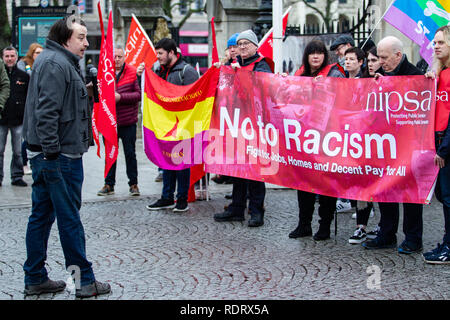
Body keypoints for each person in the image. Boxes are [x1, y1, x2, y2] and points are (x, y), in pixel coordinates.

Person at [22, 17, 110, 298]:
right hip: (58, 157)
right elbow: (46, 113)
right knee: (68, 218)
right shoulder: (55, 63)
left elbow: (56, 105)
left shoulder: (56, 61)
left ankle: (35, 277)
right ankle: (84, 281)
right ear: (65, 39)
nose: (86, 43)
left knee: (42, 215)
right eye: (81, 37)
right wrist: (50, 154)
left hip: (54, 155)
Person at [362, 36, 424, 254]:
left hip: (409, 145)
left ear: (398, 55)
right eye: (378, 57)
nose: (380, 61)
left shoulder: (417, 76)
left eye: (384, 57)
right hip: (385, 144)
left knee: (410, 193)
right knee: (385, 190)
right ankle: (387, 233)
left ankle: (413, 238)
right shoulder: (381, 76)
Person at [213, 29, 272, 228]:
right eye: (240, 44)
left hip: (254, 125)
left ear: (255, 46)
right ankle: (237, 208)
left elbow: (266, 88)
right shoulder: (232, 66)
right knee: (237, 169)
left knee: (255, 171)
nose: (243, 47)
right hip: (235, 123)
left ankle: (256, 211)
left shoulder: (261, 66)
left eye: (247, 43)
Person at [288, 40, 342, 240]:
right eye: (312, 53)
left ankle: (324, 225)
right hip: (304, 138)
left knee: (326, 184)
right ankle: (304, 224)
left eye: (320, 53)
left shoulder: (334, 73)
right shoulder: (300, 74)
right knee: (303, 183)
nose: (316, 57)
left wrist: (326, 88)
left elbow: (345, 96)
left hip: (327, 137)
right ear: (307, 56)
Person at [146, 38, 199, 212]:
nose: (158, 57)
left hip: (183, 125)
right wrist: (143, 74)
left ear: (171, 53)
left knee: (182, 164)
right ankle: (166, 197)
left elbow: (195, 98)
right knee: (166, 161)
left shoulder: (187, 71)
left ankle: (181, 199)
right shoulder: (160, 71)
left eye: (160, 53)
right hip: (165, 125)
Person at [97, 45, 141, 197]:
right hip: (110, 122)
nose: (116, 59)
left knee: (130, 154)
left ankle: (134, 184)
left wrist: (120, 97)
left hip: (128, 120)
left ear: (124, 57)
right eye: (114, 56)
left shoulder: (132, 72)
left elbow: (138, 95)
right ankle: (109, 184)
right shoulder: (104, 72)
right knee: (110, 154)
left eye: (119, 57)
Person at [423, 26, 450, 264]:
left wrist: (444, 148)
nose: (436, 46)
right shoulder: (439, 73)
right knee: (443, 195)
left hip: (447, 143)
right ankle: (447, 239)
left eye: (440, 42)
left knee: (449, 196)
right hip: (438, 139)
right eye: (435, 42)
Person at [0, 46, 29, 187]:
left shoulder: (24, 76)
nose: (9, 59)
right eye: (7, 56)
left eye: (12, 56)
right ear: (3, 57)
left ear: (16, 57)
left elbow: (28, 97)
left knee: (18, 151)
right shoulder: (1, 76)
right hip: (1, 119)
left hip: (18, 120)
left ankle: (17, 176)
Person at [17, 43, 43, 175]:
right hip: (25, 103)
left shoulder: (43, 65)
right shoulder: (24, 64)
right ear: (32, 53)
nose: (39, 55)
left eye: (41, 52)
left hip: (39, 104)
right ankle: (23, 163)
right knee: (26, 136)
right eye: (37, 52)